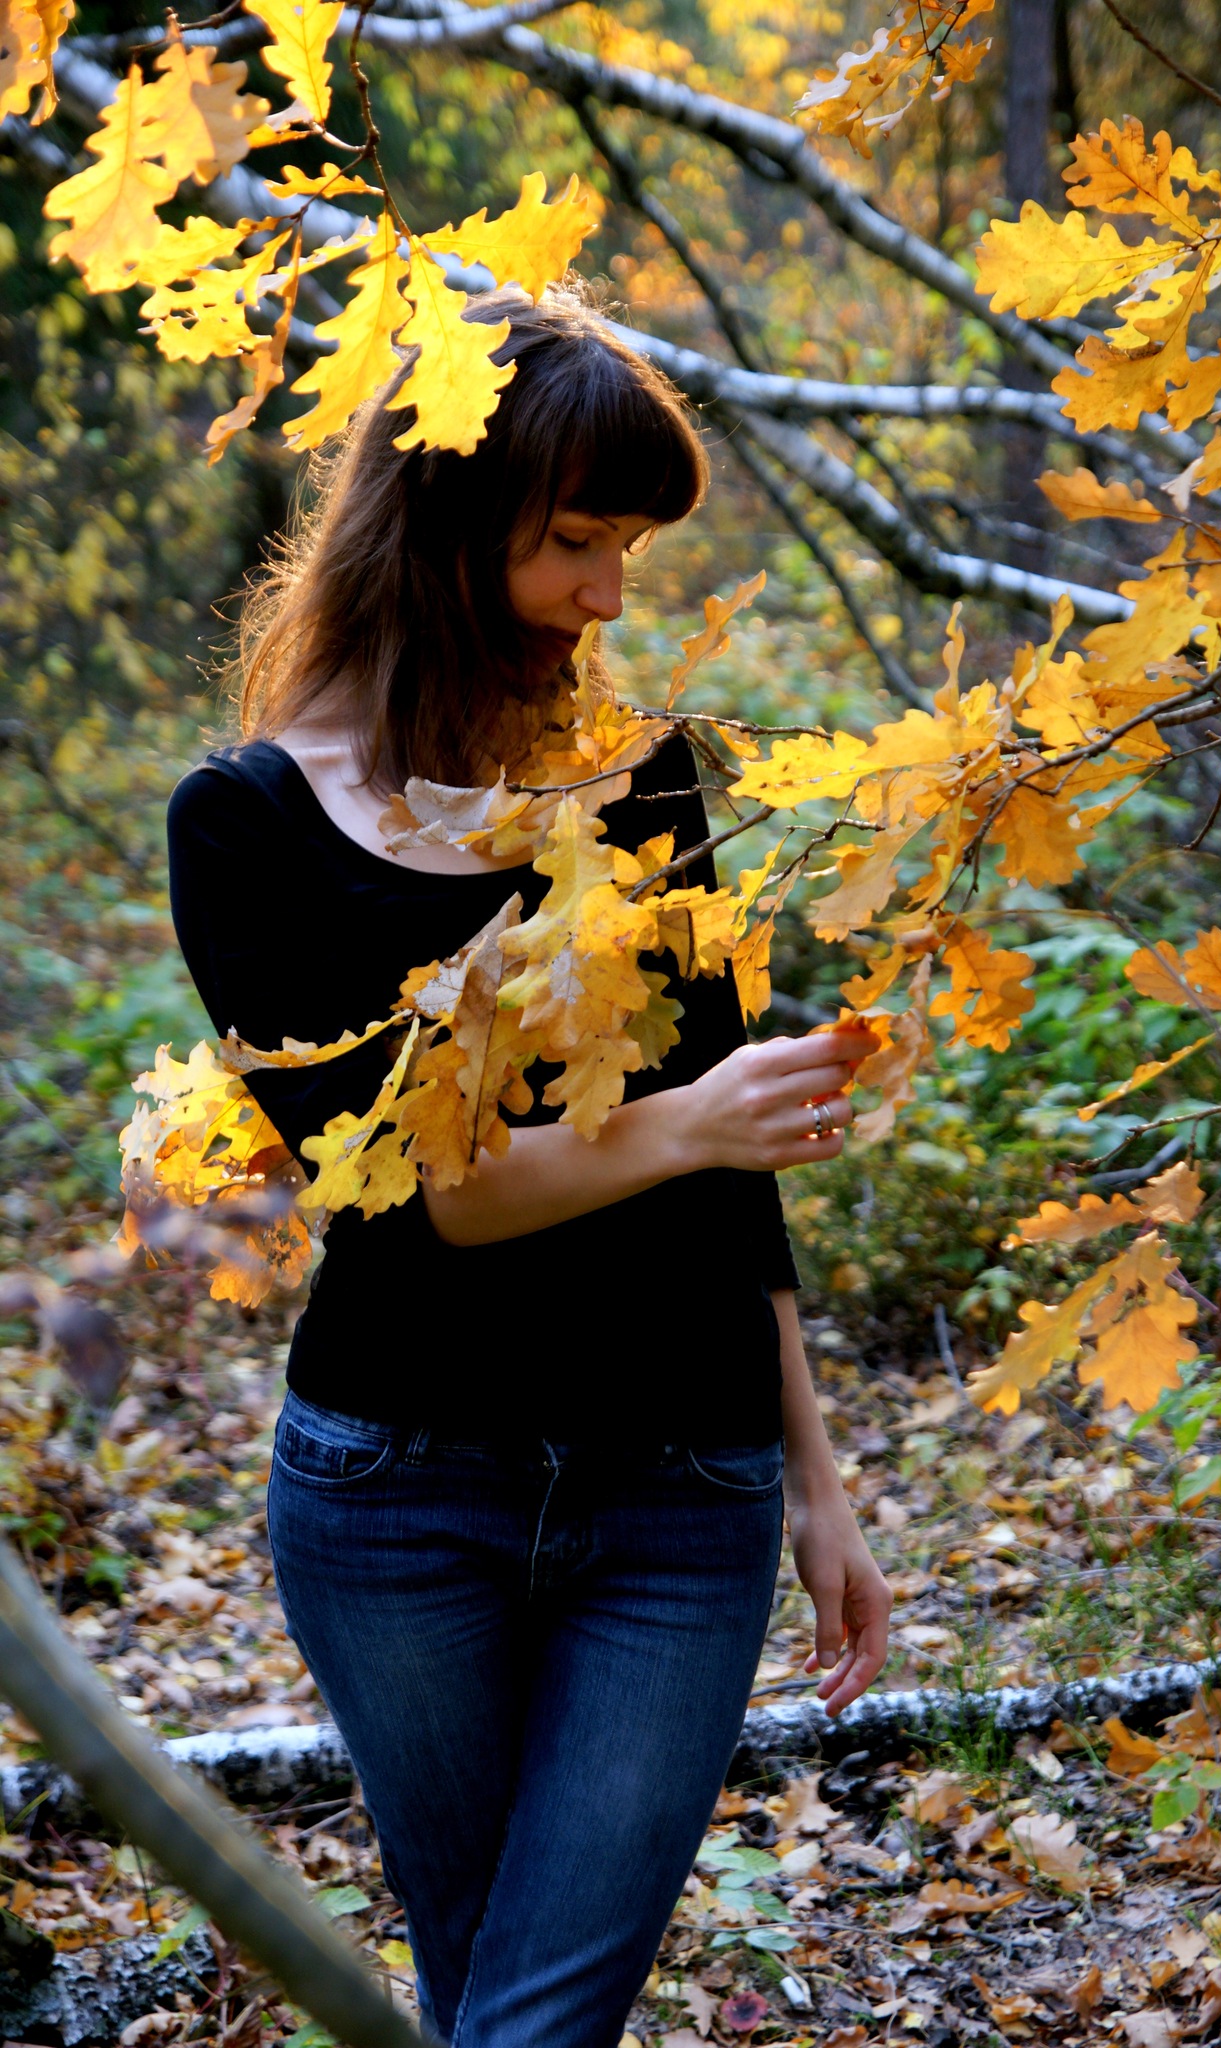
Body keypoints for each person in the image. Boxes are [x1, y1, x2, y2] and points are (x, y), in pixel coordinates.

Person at [167, 279, 892, 2048]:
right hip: (397, 1493)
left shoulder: (641, 780)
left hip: (683, 1488)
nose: (608, 596)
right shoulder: (245, 823)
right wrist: (693, 1121)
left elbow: (735, 1180)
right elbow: (421, 1207)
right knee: (494, 1990)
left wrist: (816, 1479)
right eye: (576, 542)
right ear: (441, 522)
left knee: (530, 2006)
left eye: (628, 549)